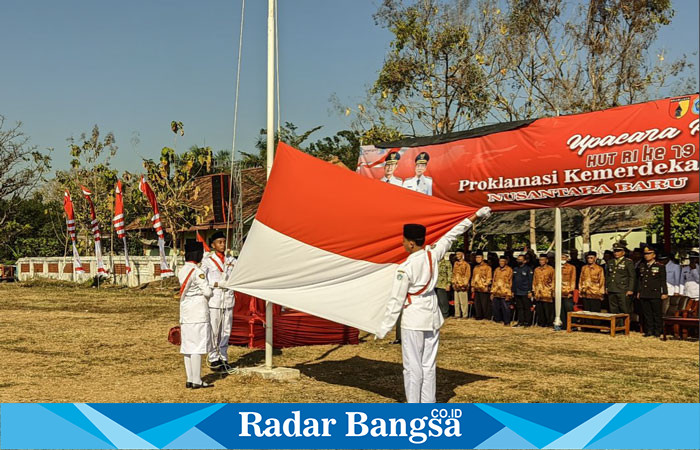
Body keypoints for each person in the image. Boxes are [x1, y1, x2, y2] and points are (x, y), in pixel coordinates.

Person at [377, 206, 492, 403]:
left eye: (404, 240)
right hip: (431, 315)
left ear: (411, 243)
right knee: (428, 365)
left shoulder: (405, 267)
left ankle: (414, 406)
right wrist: (476, 216)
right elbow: (453, 233)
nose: (403, 243)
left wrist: (384, 327)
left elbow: (397, 300)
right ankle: (428, 403)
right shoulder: (433, 254)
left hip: (414, 317)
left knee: (412, 366)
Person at [178, 241, 214, 389]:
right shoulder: (197, 272)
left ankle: (190, 378)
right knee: (197, 347)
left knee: (187, 346)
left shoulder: (182, 270)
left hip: (185, 310)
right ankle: (197, 380)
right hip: (198, 311)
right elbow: (207, 292)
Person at [201, 231, 237, 371]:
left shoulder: (232, 260)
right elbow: (202, 279)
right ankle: (213, 357)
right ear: (213, 245)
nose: (222, 245)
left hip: (228, 297)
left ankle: (223, 356)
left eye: (224, 242)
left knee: (226, 329)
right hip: (215, 298)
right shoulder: (207, 261)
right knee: (214, 329)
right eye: (219, 242)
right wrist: (216, 284)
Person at [637, 247, 667, 338]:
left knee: (656, 313)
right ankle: (649, 330)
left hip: (655, 293)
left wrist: (664, 292)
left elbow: (663, 280)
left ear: (654, 255)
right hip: (644, 293)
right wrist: (639, 291)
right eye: (645, 254)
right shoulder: (642, 266)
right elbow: (640, 280)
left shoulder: (660, 266)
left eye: (649, 253)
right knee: (647, 313)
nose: (646, 256)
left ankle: (658, 331)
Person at [605, 243, 636, 327]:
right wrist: (607, 287)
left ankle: (625, 327)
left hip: (623, 289)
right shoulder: (610, 262)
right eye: (615, 251)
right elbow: (608, 275)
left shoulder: (628, 262)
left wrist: (630, 289)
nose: (616, 253)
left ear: (623, 252)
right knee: (613, 309)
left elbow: (632, 277)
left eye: (618, 251)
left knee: (624, 309)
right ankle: (616, 326)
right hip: (612, 288)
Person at [556, 253, 577, 330]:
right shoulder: (557, 267)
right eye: (561, 257)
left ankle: (572, 324)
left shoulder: (571, 267)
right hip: (559, 290)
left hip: (567, 290)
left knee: (568, 308)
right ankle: (564, 325)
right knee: (560, 309)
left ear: (567, 258)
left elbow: (573, 279)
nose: (562, 259)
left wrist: (571, 291)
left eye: (564, 257)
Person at [533, 254, 555, 327]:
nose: (541, 261)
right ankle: (541, 322)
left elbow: (553, 280)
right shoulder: (536, 269)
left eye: (542, 260)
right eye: (540, 260)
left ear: (546, 260)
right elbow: (534, 280)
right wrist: (534, 290)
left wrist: (552, 289)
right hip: (538, 292)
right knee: (540, 308)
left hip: (547, 291)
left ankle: (549, 323)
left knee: (548, 309)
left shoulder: (551, 269)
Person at [491, 256, 513, 325]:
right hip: (496, 292)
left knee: (506, 308)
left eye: (503, 261)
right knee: (496, 308)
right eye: (500, 261)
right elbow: (494, 281)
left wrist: (508, 294)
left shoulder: (509, 270)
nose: (501, 263)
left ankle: (506, 322)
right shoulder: (496, 270)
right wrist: (492, 292)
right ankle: (497, 321)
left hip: (505, 292)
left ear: (506, 262)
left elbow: (510, 282)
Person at [513, 254, 534, 327]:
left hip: (525, 291)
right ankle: (520, 321)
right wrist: (513, 291)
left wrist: (530, 291)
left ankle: (527, 322)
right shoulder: (515, 269)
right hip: (517, 291)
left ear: (525, 261)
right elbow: (514, 281)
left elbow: (530, 281)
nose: (518, 260)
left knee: (526, 307)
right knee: (519, 307)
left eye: (520, 259)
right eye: (518, 259)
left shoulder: (528, 269)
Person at [471, 252, 493, 320]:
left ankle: (486, 316)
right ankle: (479, 316)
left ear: (483, 258)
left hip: (484, 287)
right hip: (477, 287)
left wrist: (486, 285)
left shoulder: (487, 267)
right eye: (476, 257)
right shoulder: (475, 268)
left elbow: (489, 277)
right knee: (477, 303)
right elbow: (473, 277)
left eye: (479, 257)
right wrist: (472, 286)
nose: (477, 259)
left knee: (485, 304)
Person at [451, 251, 471, 319]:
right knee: (456, 302)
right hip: (456, 285)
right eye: (456, 254)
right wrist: (453, 283)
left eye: (459, 254)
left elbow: (467, 275)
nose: (457, 255)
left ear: (462, 255)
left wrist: (464, 284)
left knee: (463, 302)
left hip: (463, 285)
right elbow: (453, 274)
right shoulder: (455, 264)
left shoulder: (466, 264)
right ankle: (457, 314)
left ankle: (464, 314)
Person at [435, 254, 452, 319]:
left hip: (443, 284)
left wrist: (448, 283)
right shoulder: (435, 262)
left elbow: (449, 274)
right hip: (435, 284)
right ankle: (439, 313)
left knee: (443, 300)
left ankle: (445, 314)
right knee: (437, 300)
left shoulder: (447, 263)